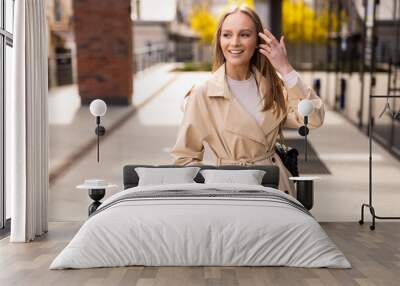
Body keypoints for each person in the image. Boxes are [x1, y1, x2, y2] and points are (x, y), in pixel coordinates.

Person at [170, 5, 324, 196]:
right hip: (230, 191)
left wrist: (285, 69)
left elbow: (314, 119)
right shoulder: (204, 93)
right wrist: (212, 188)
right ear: (219, 40)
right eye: (227, 35)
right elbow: (185, 157)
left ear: (258, 40)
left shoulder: (274, 87)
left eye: (244, 34)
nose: (234, 43)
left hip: (276, 187)